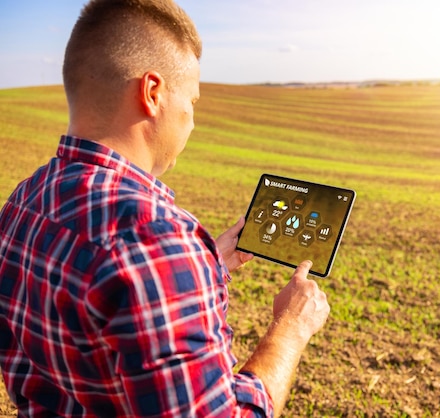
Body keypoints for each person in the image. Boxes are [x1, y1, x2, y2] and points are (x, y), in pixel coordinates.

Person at [0, 0, 330, 416]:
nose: (191, 121)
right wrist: (290, 330)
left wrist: (208, 268)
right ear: (152, 93)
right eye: (191, 102)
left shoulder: (26, 199)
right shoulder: (156, 240)